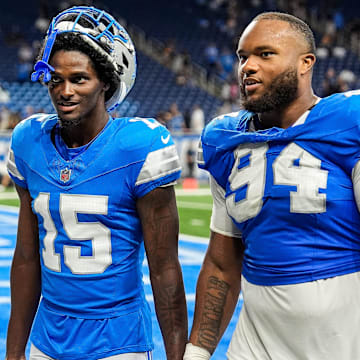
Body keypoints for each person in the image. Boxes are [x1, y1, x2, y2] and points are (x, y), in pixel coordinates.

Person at [5, 6, 187, 360]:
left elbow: (164, 267)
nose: (65, 91)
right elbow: (27, 256)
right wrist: (14, 352)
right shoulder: (29, 140)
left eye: (79, 79)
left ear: (106, 81)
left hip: (117, 343)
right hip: (48, 339)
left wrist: (177, 356)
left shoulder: (137, 146)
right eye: (56, 79)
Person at [184, 11, 360, 360]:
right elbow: (223, 262)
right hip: (255, 343)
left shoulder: (347, 123)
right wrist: (197, 353)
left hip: (341, 340)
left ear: (305, 63)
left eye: (265, 54)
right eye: (242, 56)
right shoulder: (225, 141)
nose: (248, 66)